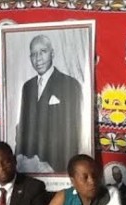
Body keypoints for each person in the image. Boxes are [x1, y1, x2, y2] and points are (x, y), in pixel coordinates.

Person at [15, 34, 83, 173]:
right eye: (33, 54)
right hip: (29, 166)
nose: (38, 58)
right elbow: (23, 125)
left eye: (43, 52)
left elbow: (74, 130)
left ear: (52, 53)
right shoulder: (27, 87)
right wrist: (20, 160)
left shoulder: (69, 84)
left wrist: (62, 168)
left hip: (57, 166)